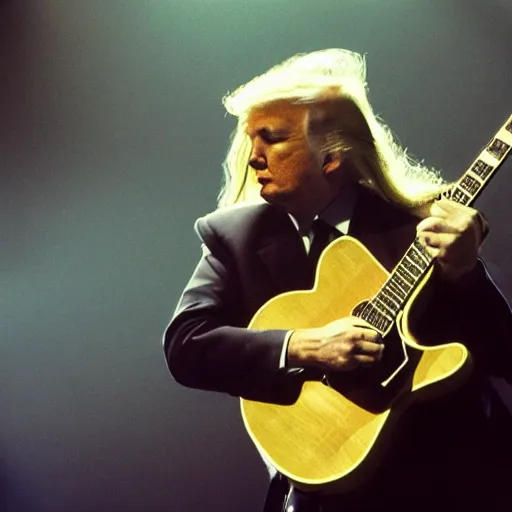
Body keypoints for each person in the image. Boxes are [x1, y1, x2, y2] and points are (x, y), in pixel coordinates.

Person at [163, 49, 512, 511]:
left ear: (331, 157)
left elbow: (505, 354)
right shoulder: (234, 237)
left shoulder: (424, 228)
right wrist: (304, 345)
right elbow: (186, 345)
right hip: (323, 492)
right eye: (251, 140)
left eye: (272, 138)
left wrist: (466, 272)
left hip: (453, 483)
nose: (253, 158)